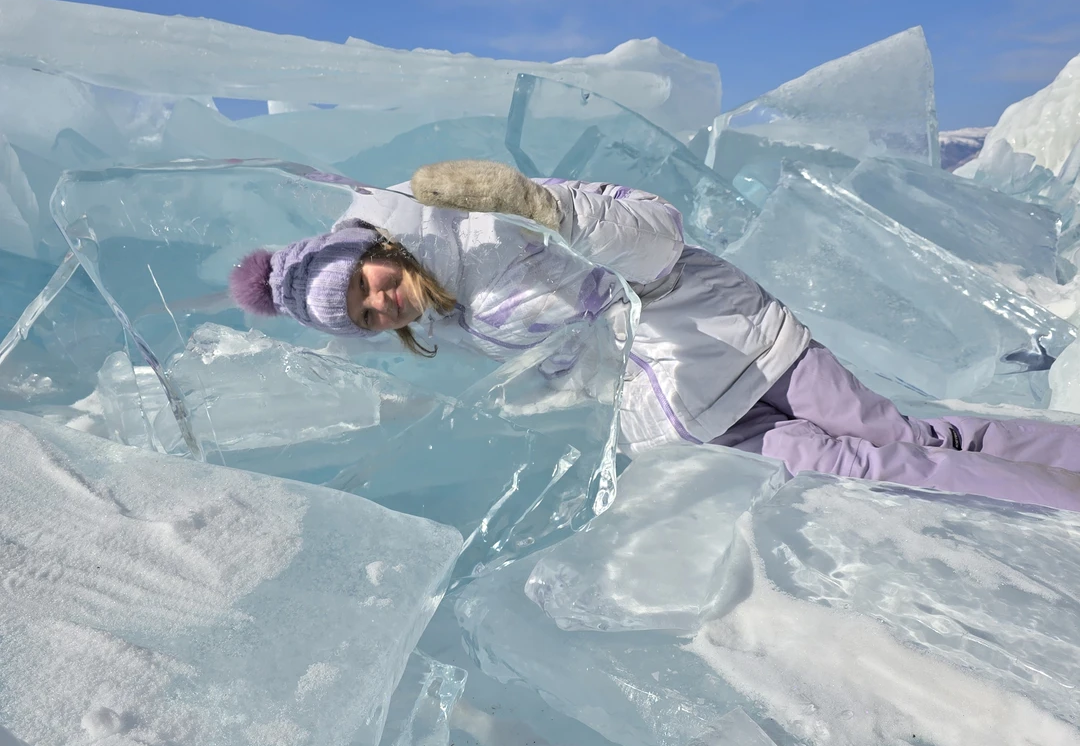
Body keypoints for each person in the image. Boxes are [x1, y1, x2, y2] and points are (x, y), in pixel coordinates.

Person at [229, 159, 1080, 512]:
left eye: (366, 285)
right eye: (366, 319)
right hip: (684, 414)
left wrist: (539, 205)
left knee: (899, 436)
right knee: (868, 466)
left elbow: (657, 235)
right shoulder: (447, 325)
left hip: (735, 340)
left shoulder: (482, 220)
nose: (381, 306)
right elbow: (567, 374)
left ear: (376, 246)